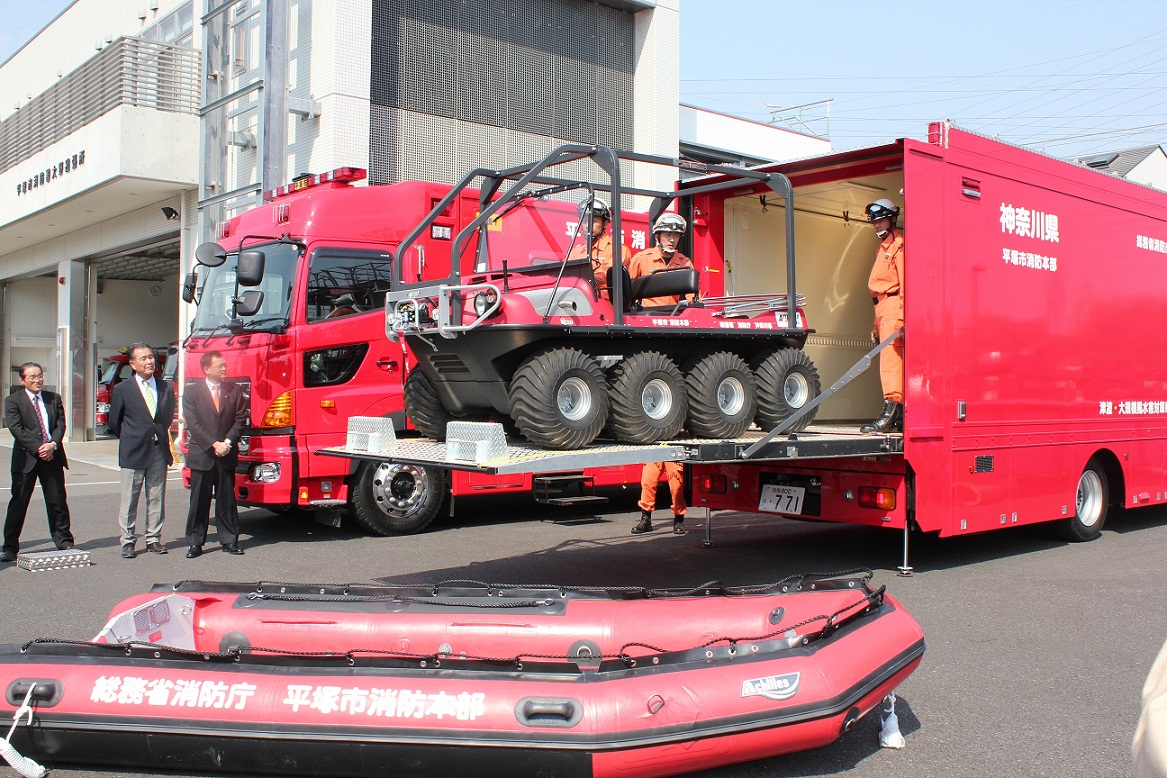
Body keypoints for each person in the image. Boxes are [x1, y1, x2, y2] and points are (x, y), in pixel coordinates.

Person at [1, 363, 74, 562]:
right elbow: (16, 429)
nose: (37, 380)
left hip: (52, 456)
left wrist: (52, 444)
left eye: (39, 376)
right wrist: (39, 448)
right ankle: (9, 547)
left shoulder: (53, 398)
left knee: (57, 500)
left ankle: (64, 540)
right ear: (22, 380)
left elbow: (60, 424)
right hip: (27, 458)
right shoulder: (13, 401)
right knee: (19, 502)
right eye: (32, 377)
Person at [108, 342, 175, 558]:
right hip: (133, 449)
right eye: (143, 358)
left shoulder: (165, 387)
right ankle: (128, 541)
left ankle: (153, 538)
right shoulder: (122, 389)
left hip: (158, 449)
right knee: (130, 498)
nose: (149, 361)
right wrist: (132, 437)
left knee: (156, 496)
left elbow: (165, 418)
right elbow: (114, 422)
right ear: (132, 363)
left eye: (150, 357)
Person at [182, 350, 246, 558]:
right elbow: (194, 424)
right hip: (203, 455)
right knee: (199, 500)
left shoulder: (234, 390)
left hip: (226, 453)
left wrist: (226, 442)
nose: (224, 368)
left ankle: (229, 540)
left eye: (225, 365)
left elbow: (240, 419)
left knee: (226, 499)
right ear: (207, 369)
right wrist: (213, 444)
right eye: (220, 366)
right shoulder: (192, 392)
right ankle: (195, 542)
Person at [861, 198, 905, 434]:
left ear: (892, 219)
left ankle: (890, 414)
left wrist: (905, 316)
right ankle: (896, 415)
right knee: (887, 360)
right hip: (882, 308)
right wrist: (876, 322)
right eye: (874, 223)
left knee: (890, 362)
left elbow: (906, 283)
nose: (877, 226)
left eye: (880, 221)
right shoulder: (884, 247)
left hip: (893, 305)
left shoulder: (899, 247)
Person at [568, 197, 632, 299]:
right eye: (584, 221)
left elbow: (605, 276)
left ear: (605, 223)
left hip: (606, 306)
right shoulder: (577, 250)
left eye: (593, 221)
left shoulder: (617, 250)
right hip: (578, 302)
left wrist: (575, 276)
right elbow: (562, 273)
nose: (587, 225)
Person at [628, 213, 695, 307]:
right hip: (645, 315)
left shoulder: (685, 262)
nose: (672, 240)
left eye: (676, 235)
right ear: (657, 237)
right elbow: (627, 289)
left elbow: (692, 295)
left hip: (673, 314)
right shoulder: (641, 258)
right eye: (668, 235)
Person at [632, 461, 686, 535]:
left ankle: (679, 518)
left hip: (672, 452)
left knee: (676, 486)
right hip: (654, 452)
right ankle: (646, 519)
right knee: (647, 482)